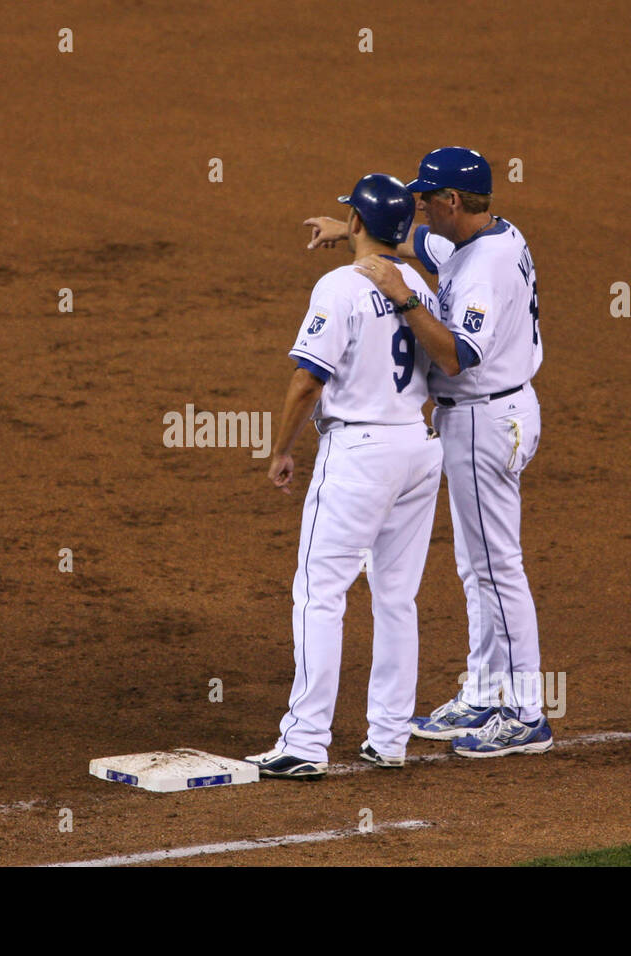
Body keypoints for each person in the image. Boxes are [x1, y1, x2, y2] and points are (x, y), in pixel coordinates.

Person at [307, 147, 554, 757]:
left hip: (484, 419)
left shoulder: (482, 269)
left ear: (450, 201)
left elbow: (454, 356)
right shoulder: (491, 234)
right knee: (480, 568)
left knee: (497, 568)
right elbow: (426, 247)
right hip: (497, 411)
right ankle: (484, 693)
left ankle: (526, 713)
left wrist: (406, 298)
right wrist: (353, 234)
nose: (417, 205)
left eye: (426, 197)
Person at [245, 174, 448, 779]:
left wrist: (281, 448)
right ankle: (389, 738)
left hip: (360, 454)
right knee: (396, 596)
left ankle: (305, 742)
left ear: (354, 224)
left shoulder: (338, 286)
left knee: (319, 593)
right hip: (418, 445)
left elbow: (309, 378)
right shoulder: (418, 284)